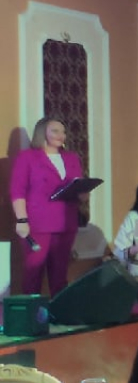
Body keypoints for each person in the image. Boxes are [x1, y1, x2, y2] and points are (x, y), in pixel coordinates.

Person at [8, 116, 85, 296]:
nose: (61, 135)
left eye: (63, 131)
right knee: (33, 272)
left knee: (60, 274)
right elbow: (17, 190)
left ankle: (59, 311)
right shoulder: (27, 157)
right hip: (38, 224)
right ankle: (31, 312)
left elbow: (78, 189)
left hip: (66, 222)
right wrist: (22, 220)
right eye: (55, 131)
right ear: (42, 132)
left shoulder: (71, 158)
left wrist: (84, 191)